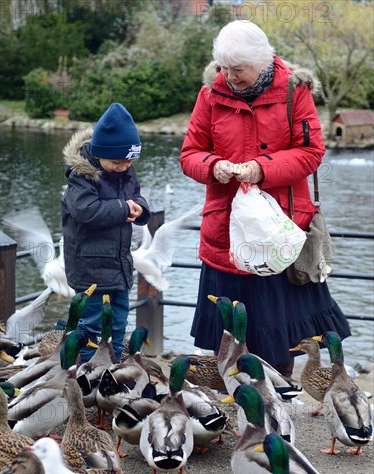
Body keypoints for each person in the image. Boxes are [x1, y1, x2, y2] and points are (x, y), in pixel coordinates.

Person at [180, 20, 350, 377]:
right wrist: (213, 166)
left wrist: (262, 168)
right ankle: (235, 408)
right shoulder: (210, 93)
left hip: (278, 232)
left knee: (278, 342)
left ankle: (278, 411)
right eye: (225, 68)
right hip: (226, 232)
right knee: (226, 340)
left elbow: (311, 153)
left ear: (264, 60)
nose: (230, 76)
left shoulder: (294, 91)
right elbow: (190, 154)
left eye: (238, 69)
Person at [61, 102, 151, 362]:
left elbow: (137, 197)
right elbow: (86, 211)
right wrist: (124, 207)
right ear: (100, 154)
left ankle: (113, 368)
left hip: (119, 265)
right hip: (90, 268)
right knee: (91, 326)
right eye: (117, 162)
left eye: (129, 161)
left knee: (119, 321)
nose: (124, 167)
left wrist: (140, 210)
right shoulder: (82, 177)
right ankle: (89, 373)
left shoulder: (126, 171)